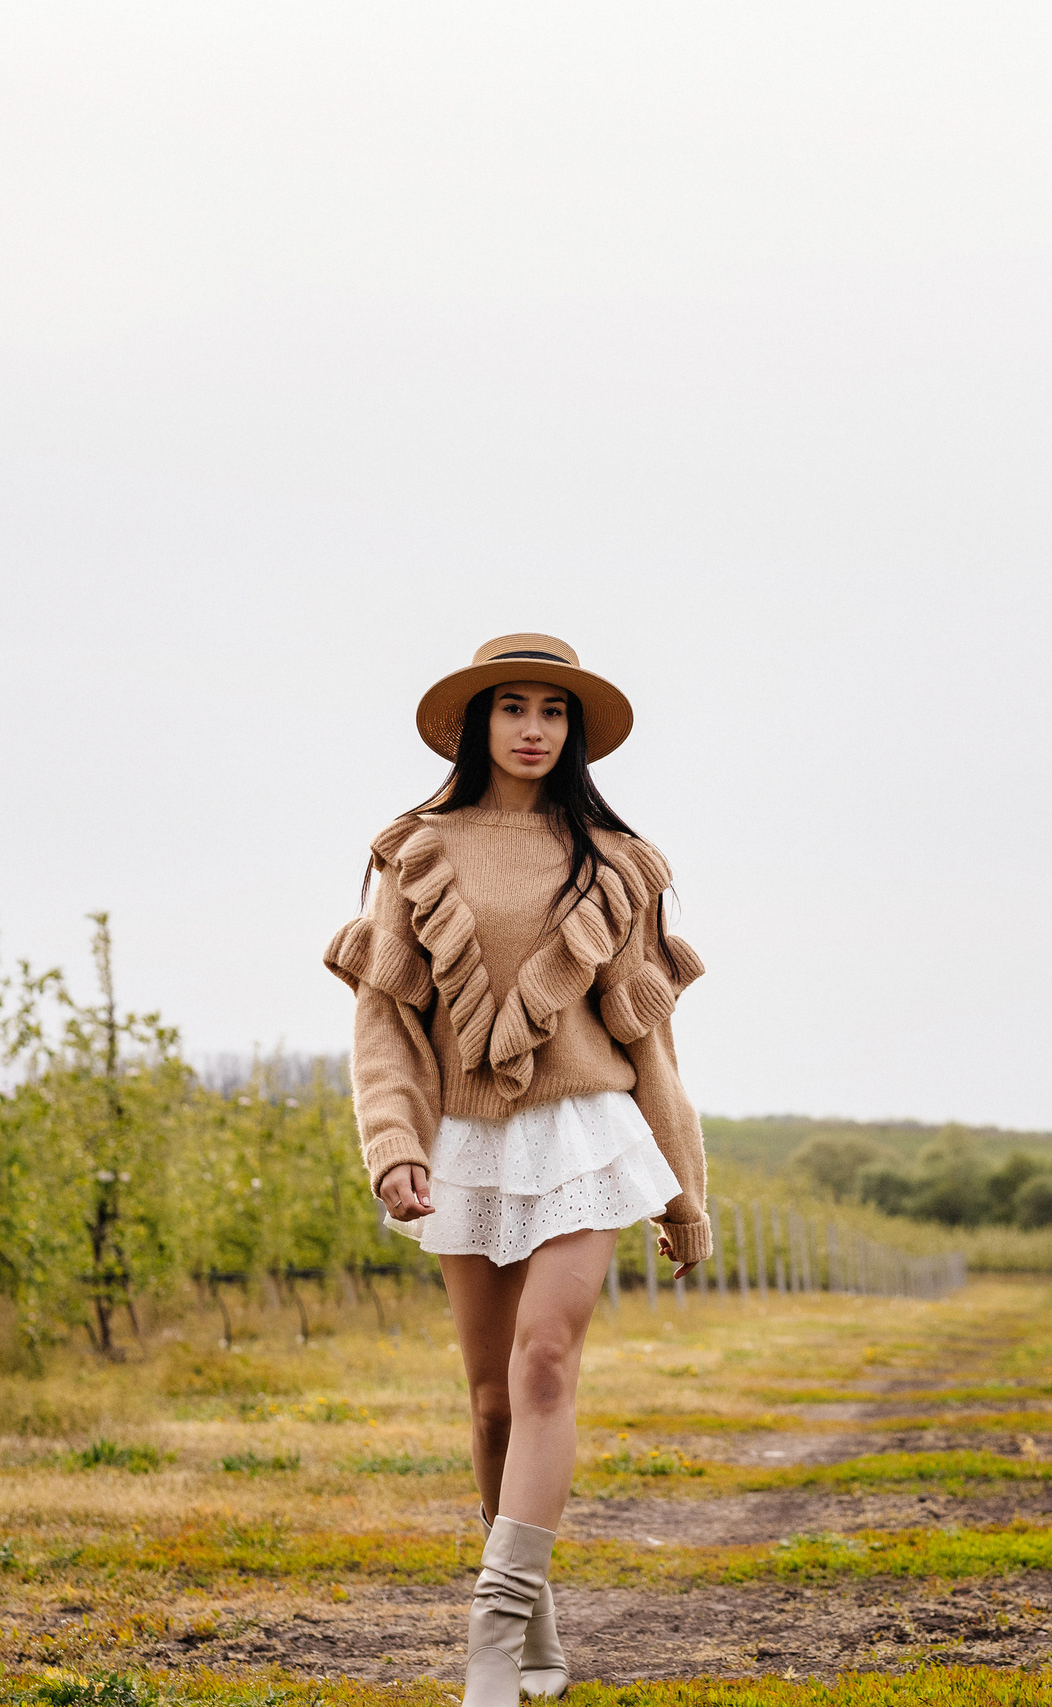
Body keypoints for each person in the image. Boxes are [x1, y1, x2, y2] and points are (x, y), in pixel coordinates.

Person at [324, 633, 710, 1705]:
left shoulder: (615, 861)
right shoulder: (415, 851)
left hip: (586, 1131)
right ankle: (534, 1623)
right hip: (465, 1142)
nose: (534, 728)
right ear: (480, 724)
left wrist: (684, 1188)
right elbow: (385, 1021)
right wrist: (393, 1145)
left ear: (572, 731)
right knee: (491, 1402)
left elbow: (650, 1043)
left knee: (545, 1365)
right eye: (514, 709)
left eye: (553, 711)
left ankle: (491, 1642)